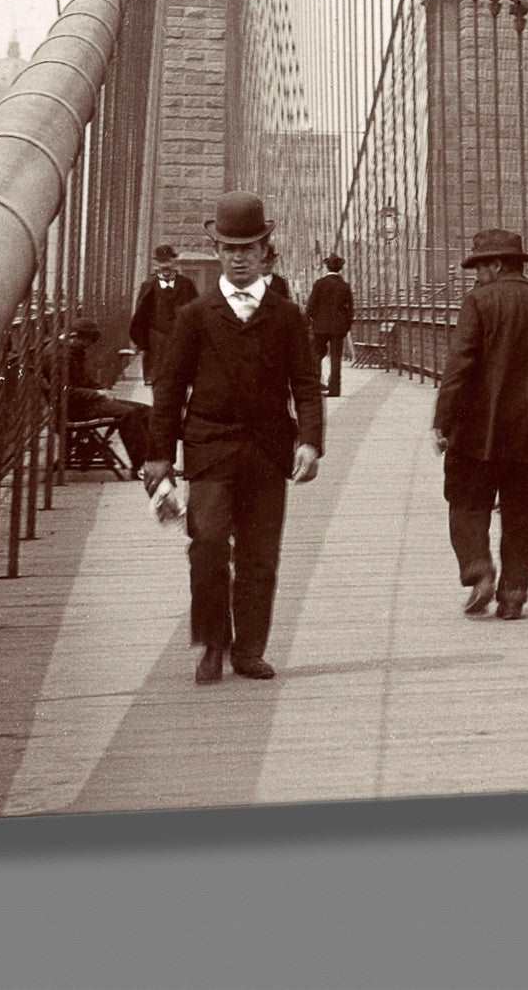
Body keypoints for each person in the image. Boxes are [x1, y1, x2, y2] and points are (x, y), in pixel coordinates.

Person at [144, 192, 324, 685]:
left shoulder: (287, 316)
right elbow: (169, 388)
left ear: (266, 251)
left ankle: (248, 650)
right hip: (209, 449)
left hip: (268, 451)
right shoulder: (195, 316)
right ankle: (212, 642)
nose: (239, 257)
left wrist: (309, 441)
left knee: (259, 556)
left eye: (249, 248)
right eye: (229, 248)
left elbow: (306, 385)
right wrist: (158, 456)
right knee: (205, 545)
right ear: (218, 252)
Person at [432, 227, 528, 621]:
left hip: (479, 432)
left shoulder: (478, 302)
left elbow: (459, 366)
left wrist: (443, 420)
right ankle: (513, 593)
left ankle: (479, 568)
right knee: (525, 515)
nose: (476, 276)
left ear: (494, 265)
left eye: (479, 267)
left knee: (466, 503)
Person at [61, 322, 152, 474]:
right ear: (74, 337)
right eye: (86, 343)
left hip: (85, 401)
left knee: (145, 410)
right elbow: (64, 391)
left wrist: (100, 389)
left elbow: (83, 380)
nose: (87, 347)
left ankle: (154, 460)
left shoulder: (72, 351)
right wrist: (97, 394)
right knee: (128, 414)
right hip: (74, 408)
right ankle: (141, 465)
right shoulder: (59, 356)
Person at [128, 244, 191, 379]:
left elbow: (196, 314)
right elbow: (140, 317)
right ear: (155, 263)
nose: (165, 266)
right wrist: (142, 343)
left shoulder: (187, 285)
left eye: (168, 261)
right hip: (155, 342)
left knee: (178, 380)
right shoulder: (148, 286)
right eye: (161, 262)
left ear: (174, 262)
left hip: (180, 341)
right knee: (157, 381)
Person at [305, 253, 355, 398]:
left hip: (320, 327)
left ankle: (315, 386)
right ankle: (335, 390)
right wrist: (346, 327)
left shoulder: (319, 283)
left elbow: (311, 306)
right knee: (336, 358)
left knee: (316, 355)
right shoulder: (344, 286)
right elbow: (350, 310)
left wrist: (312, 321)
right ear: (340, 268)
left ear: (327, 267)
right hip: (338, 328)